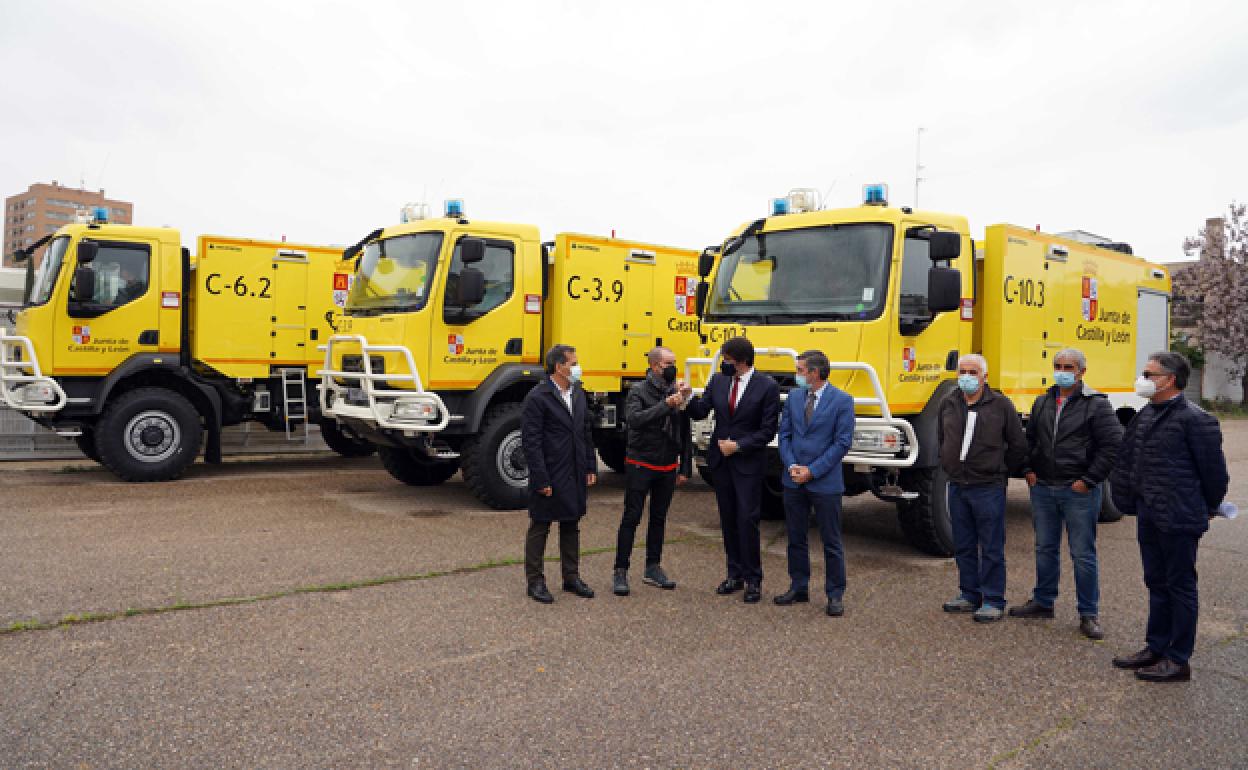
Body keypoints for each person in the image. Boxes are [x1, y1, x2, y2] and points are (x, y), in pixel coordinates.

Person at [1109, 352, 1228, 682]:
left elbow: (1214, 474)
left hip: (1178, 516)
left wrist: (1205, 506)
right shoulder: (1146, 414)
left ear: (1170, 379)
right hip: (1150, 512)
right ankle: (1156, 647)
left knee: (1180, 586)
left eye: (1149, 374)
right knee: (1156, 582)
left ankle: (1178, 659)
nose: (1143, 379)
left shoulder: (1196, 419)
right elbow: (1129, 459)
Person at [1011, 348, 1122, 640]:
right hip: (1044, 488)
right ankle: (1043, 602)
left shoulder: (1096, 405)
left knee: (1082, 554)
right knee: (1045, 548)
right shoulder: (1042, 402)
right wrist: (1027, 469)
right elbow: (1029, 439)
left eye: (1068, 366)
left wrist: (1089, 480)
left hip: (1078, 492)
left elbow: (1112, 446)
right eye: (1058, 365)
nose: (1062, 371)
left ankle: (1089, 613)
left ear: (1082, 372)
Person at [686, 336, 780, 603]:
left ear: (741, 361)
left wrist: (739, 445)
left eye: (727, 360)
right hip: (721, 462)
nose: (724, 364)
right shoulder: (718, 381)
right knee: (727, 519)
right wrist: (686, 398)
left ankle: (753, 579)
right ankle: (734, 574)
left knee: (747, 520)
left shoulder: (766, 386)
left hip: (747, 462)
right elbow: (701, 410)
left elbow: (767, 430)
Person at [939, 354, 1027, 623]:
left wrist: (1000, 470)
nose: (966, 377)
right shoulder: (949, 403)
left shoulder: (1000, 405)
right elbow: (942, 438)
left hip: (988, 487)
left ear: (984, 377)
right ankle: (969, 594)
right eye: (962, 371)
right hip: (958, 486)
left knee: (991, 547)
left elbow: (1017, 444)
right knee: (963, 544)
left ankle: (993, 599)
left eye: (973, 372)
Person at [775, 350, 855, 617]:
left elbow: (842, 443)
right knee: (795, 538)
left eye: (800, 370)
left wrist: (813, 470)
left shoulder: (842, 401)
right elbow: (784, 435)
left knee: (831, 541)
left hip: (825, 483)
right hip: (794, 479)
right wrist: (791, 465)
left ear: (815, 373)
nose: (796, 375)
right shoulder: (794, 398)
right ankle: (799, 586)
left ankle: (835, 594)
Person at [612, 346, 693, 596]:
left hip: (667, 464)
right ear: (656, 366)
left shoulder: (676, 390)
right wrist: (666, 405)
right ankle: (620, 570)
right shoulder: (638, 391)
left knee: (659, 518)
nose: (673, 367)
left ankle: (652, 567)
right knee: (631, 517)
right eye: (669, 363)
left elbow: (684, 431)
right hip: (641, 463)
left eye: (675, 362)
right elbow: (635, 420)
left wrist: (685, 466)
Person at [522, 344, 598, 604]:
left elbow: (585, 432)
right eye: (573, 363)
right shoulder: (538, 397)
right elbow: (531, 442)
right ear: (559, 367)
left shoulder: (578, 393)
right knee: (540, 525)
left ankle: (571, 577)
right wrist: (541, 478)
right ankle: (535, 581)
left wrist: (590, 466)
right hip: (550, 472)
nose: (577, 367)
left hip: (575, 471)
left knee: (571, 523)